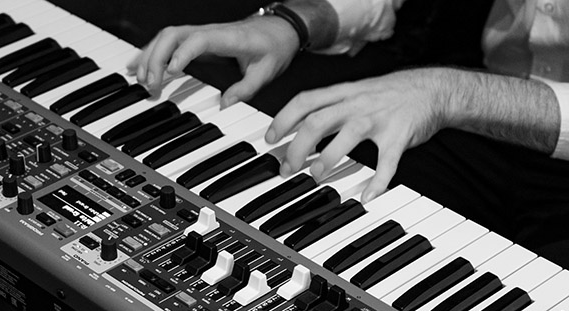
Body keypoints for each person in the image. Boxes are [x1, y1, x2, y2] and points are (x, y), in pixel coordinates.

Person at [128, 0, 569, 268]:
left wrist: (447, 91)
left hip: (478, 102)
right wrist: (293, 23)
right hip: (485, 124)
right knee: (321, 226)